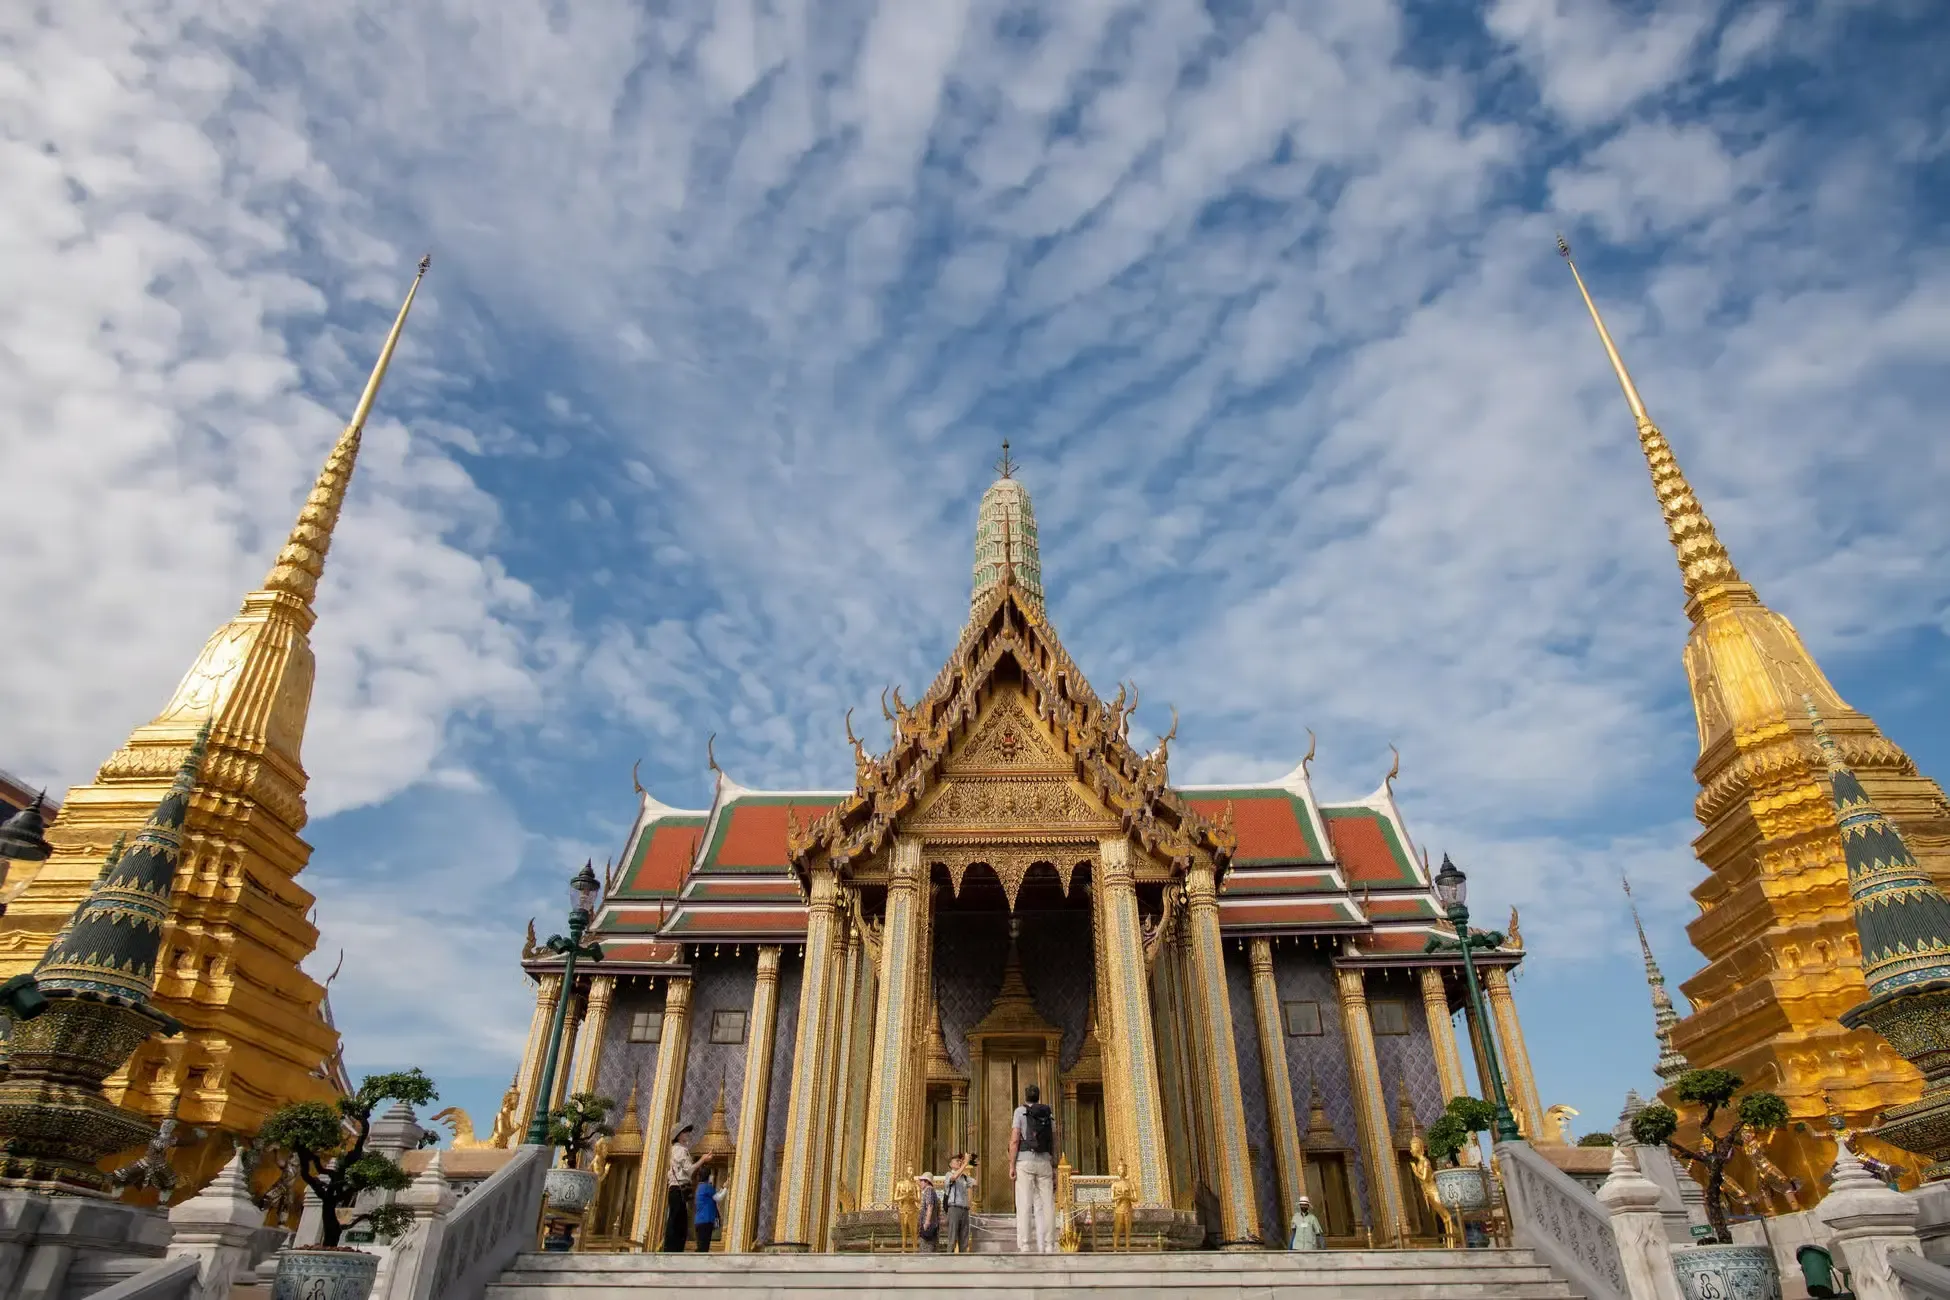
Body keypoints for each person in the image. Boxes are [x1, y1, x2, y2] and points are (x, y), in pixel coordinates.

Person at [1009, 1082, 1058, 1254]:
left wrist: (1011, 1164)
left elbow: (1015, 1139)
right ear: (1038, 1096)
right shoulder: (1048, 1113)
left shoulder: (1019, 1111)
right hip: (1045, 1161)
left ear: (1025, 1096)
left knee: (1024, 1203)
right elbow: (1054, 1140)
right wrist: (1054, 1165)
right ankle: (1049, 1244)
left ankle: (1025, 1244)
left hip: (1024, 1161)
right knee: (1047, 1205)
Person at [663, 1123, 710, 1252]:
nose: (687, 1134)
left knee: (678, 1219)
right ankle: (672, 1250)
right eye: (684, 1132)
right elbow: (689, 1170)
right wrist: (702, 1160)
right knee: (677, 1221)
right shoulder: (680, 1150)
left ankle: (673, 1248)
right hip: (677, 1188)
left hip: (678, 1189)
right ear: (678, 1136)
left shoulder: (677, 1149)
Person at [943, 1153, 974, 1253]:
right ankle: (949, 1261)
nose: (959, 1163)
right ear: (951, 1164)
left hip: (964, 1209)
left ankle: (963, 1262)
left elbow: (975, 1183)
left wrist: (973, 1163)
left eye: (960, 1161)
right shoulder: (949, 1174)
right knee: (952, 1238)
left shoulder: (964, 1177)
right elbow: (954, 1178)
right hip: (954, 1208)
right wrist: (965, 1163)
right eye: (957, 1161)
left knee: (964, 1238)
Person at [692, 1167, 719, 1253]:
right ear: (709, 1176)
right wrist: (725, 1188)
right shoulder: (708, 1187)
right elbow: (718, 1197)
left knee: (701, 1245)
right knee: (704, 1248)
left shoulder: (699, 1187)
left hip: (699, 1221)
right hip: (706, 1220)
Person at [918, 1171, 941, 1251]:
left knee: (927, 1247)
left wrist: (927, 1222)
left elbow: (929, 1206)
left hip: (928, 1225)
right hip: (932, 1224)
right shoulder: (931, 1191)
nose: (920, 1183)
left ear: (927, 1181)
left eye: (922, 1181)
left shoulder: (929, 1191)